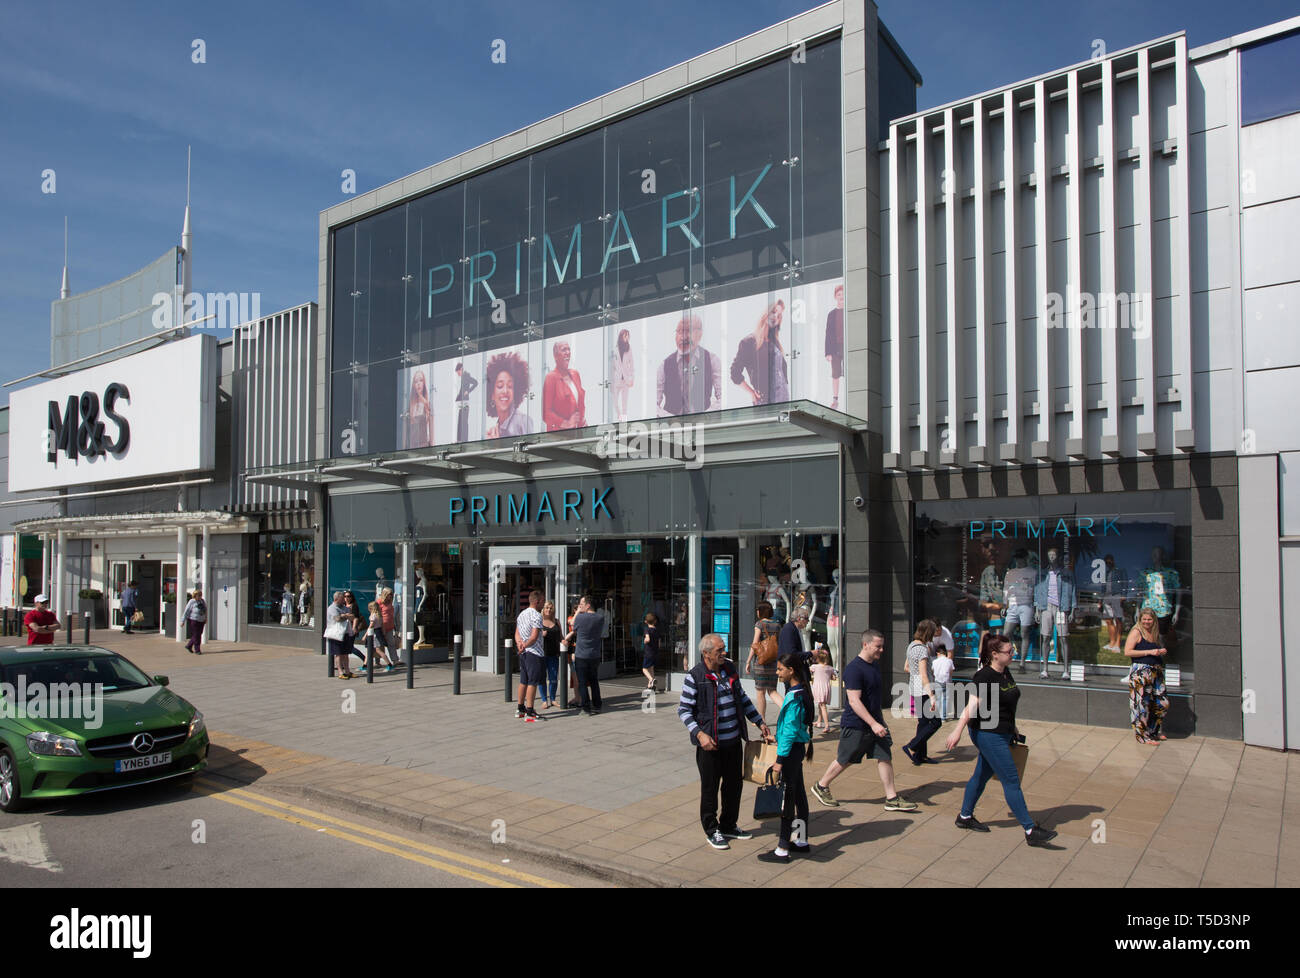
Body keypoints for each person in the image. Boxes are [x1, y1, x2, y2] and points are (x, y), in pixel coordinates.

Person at [945, 632, 1058, 846]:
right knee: (1011, 780)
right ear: (995, 654)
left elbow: (1005, 704)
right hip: (988, 734)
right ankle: (1030, 829)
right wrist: (957, 731)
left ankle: (965, 817)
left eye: (1012, 650)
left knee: (981, 775)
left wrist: (1013, 727)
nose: (1013, 654)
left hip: (1003, 731)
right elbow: (972, 705)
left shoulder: (1005, 672)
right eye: (1009, 652)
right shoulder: (984, 676)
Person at [678, 632, 772, 850]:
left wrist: (759, 722)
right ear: (706, 654)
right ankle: (712, 830)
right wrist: (700, 735)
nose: (725, 653)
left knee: (733, 786)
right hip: (710, 745)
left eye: (724, 648)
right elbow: (684, 710)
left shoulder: (729, 670)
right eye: (720, 650)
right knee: (710, 789)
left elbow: (742, 699)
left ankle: (729, 824)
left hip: (733, 743)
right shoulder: (695, 676)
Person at [810, 629, 917, 813]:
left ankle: (891, 798)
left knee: (884, 756)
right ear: (865, 645)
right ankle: (821, 785)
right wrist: (873, 724)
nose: (881, 650)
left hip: (875, 723)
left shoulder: (874, 665)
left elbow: (872, 699)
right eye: (878, 646)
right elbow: (854, 701)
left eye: (882, 646)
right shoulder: (854, 669)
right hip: (856, 724)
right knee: (846, 758)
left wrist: (879, 722)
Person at [758, 652, 816, 863]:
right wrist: (778, 737)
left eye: (780, 669)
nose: (777, 672)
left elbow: (791, 730)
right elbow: (793, 729)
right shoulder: (802, 692)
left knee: (788, 799)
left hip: (790, 753)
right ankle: (801, 840)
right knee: (799, 795)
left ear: (791, 671)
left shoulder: (794, 697)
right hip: (797, 748)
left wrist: (779, 761)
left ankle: (782, 848)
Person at [656, 313, 720, 417]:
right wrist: (670, 418)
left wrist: (707, 416)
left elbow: (723, 398)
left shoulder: (712, 360)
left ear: (700, 334)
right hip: (673, 428)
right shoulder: (664, 365)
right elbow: (653, 405)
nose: (683, 337)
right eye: (679, 332)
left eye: (688, 331)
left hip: (703, 427)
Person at [730, 299, 789, 405]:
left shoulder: (775, 344)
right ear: (766, 313)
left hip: (784, 401)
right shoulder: (749, 342)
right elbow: (734, 373)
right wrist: (752, 392)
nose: (776, 316)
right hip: (765, 402)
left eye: (779, 315)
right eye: (774, 311)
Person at [1125, 607, 1169, 744]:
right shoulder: (1136, 632)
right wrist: (1149, 652)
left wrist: (1160, 652)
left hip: (1155, 671)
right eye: (1144, 619)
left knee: (1162, 703)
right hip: (1140, 671)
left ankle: (1152, 730)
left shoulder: (1154, 632)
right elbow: (1128, 652)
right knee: (1140, 704)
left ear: (1154, 620)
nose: (1146, 622)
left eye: (1149, 619)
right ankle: (1142, 736)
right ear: (1140, 619)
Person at [902, 619, 941, 765]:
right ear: (928, 632)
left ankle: (920, 755)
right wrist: (931, 695)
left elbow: (906, 667)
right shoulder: (923, 649)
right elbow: (924, 674)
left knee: (923, 723)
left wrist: (917, 673)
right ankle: (912, 745)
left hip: (914, 688)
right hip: (924, 690)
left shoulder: (911, 645)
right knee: (936, 722)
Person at [565, 595, 604, 715]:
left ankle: (586, 707)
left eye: (582, 604)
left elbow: (572, 623)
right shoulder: (600, 618)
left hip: (581, 654)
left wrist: (577, 612)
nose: (580, 606)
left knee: (582, 682)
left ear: (587, 605)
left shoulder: (581, 618)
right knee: (594, 681)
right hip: (595, 654)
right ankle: (597, 705)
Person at [745, 602, 782, 720]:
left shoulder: (759, 624)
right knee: (772, 691)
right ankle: (788, 710)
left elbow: (755, 644)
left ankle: (762, 720)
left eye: (757, 609)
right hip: (773, 663)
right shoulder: (777, 625)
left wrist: (748, 661)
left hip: (761, 664)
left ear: (761, 611)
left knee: (760, 692)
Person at [485, 350, 534, 438]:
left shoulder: (523, 421)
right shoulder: (496, 429)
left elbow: (531, 450)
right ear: (492, 394)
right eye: (500, 386)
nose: (505, 391)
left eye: (510, 386)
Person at [515, 589, 545, 721]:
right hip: (534, 652)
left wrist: (520, 645)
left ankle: (520, 708)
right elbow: (534, 636)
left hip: (524, 653)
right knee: (533, 682)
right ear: (537, 602)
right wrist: (526, 645)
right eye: (543, 601)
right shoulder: (536, 615)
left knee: (523, 681)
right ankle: (530, 710)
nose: (543, 604)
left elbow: (516, 633)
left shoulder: (521, 614)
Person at [542, 340, 586, 431]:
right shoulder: (551, 378)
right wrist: (566, 424)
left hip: (578, 432)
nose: (567, 353)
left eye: (568, 350)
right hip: (559, 436)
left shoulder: (575, 374)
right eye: (564, 350)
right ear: (555, 356)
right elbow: (546, 414)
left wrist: (582, 422)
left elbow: (580, 404)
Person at [325, 592, 356, 679]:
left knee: (346, 653)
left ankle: (347, 671)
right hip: (336, 634)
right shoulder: (332, 608)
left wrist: (344, 615)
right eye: (342, 598)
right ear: (336, 599)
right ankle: (340, 672)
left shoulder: (344, 608)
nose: (344, 599)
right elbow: (337, 618)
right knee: (338, 654)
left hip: (345, 633)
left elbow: (352, 616)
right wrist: (345, 616)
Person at [824, 284, 844, 409]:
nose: (841, 297)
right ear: (835, 297)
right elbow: (828, 333)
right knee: (835, 373)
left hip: (846, 346)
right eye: (839, 295)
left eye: (843, 294)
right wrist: (828, 352)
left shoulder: (850, 310)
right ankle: (835, 398)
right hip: (835, 348)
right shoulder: (831, 314)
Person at [1101, 554, 1127, 651]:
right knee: (1108, 620)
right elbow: (1103, 586)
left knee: (1118, 620)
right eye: (1106, 562)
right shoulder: (1106, 573)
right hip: (1106, 597)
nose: (1108, 563)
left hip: (1117, 596)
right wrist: (1101, 599)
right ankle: (1111, 642)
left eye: (1109, 561)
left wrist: (1123, 595)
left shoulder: (1120, 571)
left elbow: (1125, 583)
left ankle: (1118, 643)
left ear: (1113, 561)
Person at [540, 600, 563, 708]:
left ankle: (553, 699)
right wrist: (541, 635)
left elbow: (561, 637)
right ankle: (544, 700)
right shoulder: (539, 621)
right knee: (542, 677)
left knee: (553, 678)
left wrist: (564, 641)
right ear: (543, 609)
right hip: (542, 654)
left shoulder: (557, 621)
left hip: (554, 654)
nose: (548, 610)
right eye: (546, 608)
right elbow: (533, 637)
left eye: (550, 608)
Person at [363, 600, 396, 672]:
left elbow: (371, 626)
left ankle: (389, 664)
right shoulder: (379, 616)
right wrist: (383, 634)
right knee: (370, 650)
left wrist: (365, 635)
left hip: (373, 633)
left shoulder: (373, 616)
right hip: (378, 632)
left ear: (371, 608)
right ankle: (364, 665)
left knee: (378, 650)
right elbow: (382, 625)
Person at [404, 369, 434, 449]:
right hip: (412, 448)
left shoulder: (427, 405)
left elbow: (431, 433)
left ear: (424, 383)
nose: (418, 384)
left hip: (424, 447)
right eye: (416, 381)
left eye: (421, 380)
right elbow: (406, 433)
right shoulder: (410, 407)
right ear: (413, 385)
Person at [610, 329, 635, 421]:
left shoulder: (629, 349)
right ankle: (619, 416)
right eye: (625, 336)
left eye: (628, 336)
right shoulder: (615, 349)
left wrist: (631, 378)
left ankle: (623, 422)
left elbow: (632, 364)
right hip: (617, 380)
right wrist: (611, 381)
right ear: (621, 337)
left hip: (626, 381)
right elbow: (612, 367)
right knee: (615, 402)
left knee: (624, 404)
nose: (627, 338)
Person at [810, 649, 836, 730]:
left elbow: (808, 671)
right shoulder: (830, 668)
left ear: (817, 659)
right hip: (826, 688)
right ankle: (819, 721)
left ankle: (827, 725)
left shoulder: (814, 667)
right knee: (821, 704)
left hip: (818, 688)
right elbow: (834, 677)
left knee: (822, 706)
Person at [454, 362, 478, 442]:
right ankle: (460, 439)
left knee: (463, 420)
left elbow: (475, 382)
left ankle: (463, 439)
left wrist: (468, 391)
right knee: (461, 419)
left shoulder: (466, 376)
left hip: (465, 401)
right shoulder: (463, 377)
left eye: (458, 372)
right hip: (462, 401)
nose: (458, 374)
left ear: (461, 369)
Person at [379, 588, 402, 668]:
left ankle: (395, 660)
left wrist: (396, 626)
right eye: (389, 594)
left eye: (391, 594)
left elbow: (393, 615)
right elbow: (377, 614)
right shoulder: (379, 602)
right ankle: (377, 661)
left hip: (390, 626)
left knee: (391, 644)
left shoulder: (390, 603)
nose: (391, 596)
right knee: (379, 645)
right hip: (382, 626)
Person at [931, 645, 954, 721]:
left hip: (937, 681)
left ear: (938, 653)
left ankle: (937, 716)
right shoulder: (949, 661)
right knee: (945, 699)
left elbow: (932, 671)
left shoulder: (934, 661)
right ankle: (943, 717)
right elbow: (951, 672)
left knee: (938, 699)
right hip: (946, 681)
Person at [182, 587, 208, 654]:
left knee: (199, 634)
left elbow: (205, 610)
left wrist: (205, 618)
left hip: (201, 621)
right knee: (197, 635)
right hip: (194, 620)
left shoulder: (202, 601)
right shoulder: (192, 602)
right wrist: (183, 621)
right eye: (198, 595)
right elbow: (186, 611)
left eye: (200, 595)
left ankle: (189, 645)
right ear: (195, 595)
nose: (199, 596)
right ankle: (197, 650)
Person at [641, 611, 660, 692]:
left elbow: (647, 639)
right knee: (651, 668)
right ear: (655, 621)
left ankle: (651, 680)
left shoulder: (647, 629)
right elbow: (659, 642)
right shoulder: (656, 630)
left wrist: (645, 640)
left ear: (646, 621)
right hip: (655, 652)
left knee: (644, 669)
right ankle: (651, 686)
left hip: (648, 653)